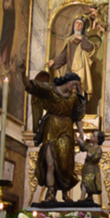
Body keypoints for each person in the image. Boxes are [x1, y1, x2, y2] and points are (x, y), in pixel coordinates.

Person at [19, 65, 86, 202]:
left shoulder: (73, 97)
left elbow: (78, 116)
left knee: (65, 162)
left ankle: (65, 194)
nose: (74, 88)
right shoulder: (50, 90)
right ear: (67, 81)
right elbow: (31, 86)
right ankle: (50, 193)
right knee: (50, 163)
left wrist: (81, 133)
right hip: (51, 126)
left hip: (66, 128)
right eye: (73, 84)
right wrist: (22, 73)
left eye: (76, 86)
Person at [49, 17, 96, 97]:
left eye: (80, 24)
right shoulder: (69, 40)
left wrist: (81, 38)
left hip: (81, 70)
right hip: (70, 69)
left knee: (80, 90)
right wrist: (54, 61)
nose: (78, 25)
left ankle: (81, 108)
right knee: (68, 90)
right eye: (77, 23)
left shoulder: (85, 40)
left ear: (83, 27)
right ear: (74, 25)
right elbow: (64, 55)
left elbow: (90, 48)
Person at [78, 130, 105, 203]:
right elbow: (84, 146)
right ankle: (89, 197)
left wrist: (91, 156)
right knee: (89, 183)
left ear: (97, 140)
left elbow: (96, 158)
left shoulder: (98, 149)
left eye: (93, 136)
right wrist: (79, 140)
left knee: (86, 182)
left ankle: (81, 198)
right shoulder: (90, 147)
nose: (91, 137)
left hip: (92, 169)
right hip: (87, 167)